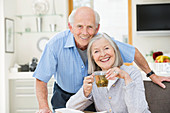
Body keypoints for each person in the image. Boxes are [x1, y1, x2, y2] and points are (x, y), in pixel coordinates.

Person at [33, 6, 170, 113]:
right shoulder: (55, 44)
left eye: (90, 27)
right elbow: (41, 79)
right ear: (70, 27)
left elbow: (133, 52)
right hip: (64, 94)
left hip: (92, 94)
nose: (85, 32)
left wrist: (151, 74)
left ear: (97, 28)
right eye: (79, 26)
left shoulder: (103, 42)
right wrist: (44, 107)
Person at [66, 33, 151, 113]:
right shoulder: (95, 79)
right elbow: (70, 107)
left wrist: (126, 78)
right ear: (92, 57)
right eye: (96, 51)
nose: (103, 54)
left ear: (114, 50)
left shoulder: (131, 72)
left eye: (106, 48)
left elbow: (138, 111)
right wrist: (84, 93)